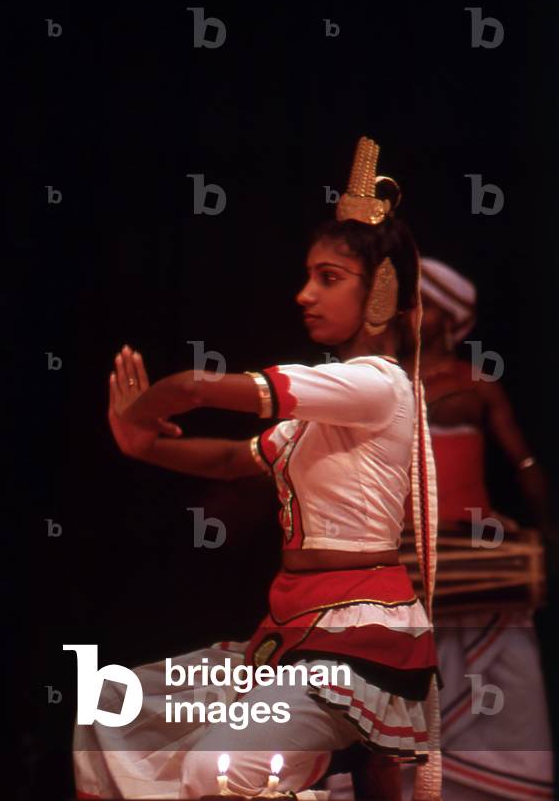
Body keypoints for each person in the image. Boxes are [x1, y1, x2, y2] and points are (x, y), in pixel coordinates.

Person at [71, 137, 442, 801]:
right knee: (105, 707)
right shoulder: (320, 412)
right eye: (307, 275)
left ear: (380, 291)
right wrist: (137, 446)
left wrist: (141, 412)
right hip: (293, 637)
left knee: (218, 773)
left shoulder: (376, 385)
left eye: (327, 278)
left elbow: (195, 386)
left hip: (357, 648)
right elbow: (229, 455)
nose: (303, 294)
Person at [396, 259, 555, 801]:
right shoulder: (385, 380)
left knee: (503, 666)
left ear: (449, 316)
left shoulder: (476, 382)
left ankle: (503, 780)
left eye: (426, 304)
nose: (414, 315)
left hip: (474, 548)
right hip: (408, 549)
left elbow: (523, 463)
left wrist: (545, 526)